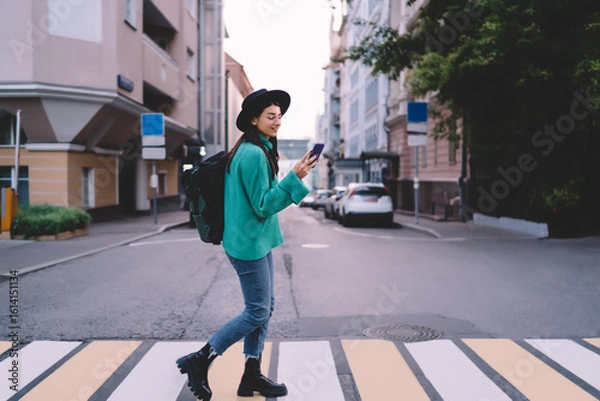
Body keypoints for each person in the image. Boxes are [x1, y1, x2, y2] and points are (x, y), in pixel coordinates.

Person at [176, 88, 317, 400]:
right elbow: (264, 205)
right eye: (270, 116)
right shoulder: (252, 154)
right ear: (253, 119)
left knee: (265, 308)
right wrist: (295, 176)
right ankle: (200, 360)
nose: (277, 121)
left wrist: (293, 175)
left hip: (256, 240)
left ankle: (251, 375)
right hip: (246, 243)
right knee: (256, 311)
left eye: (279, 116)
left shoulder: (258, 148)